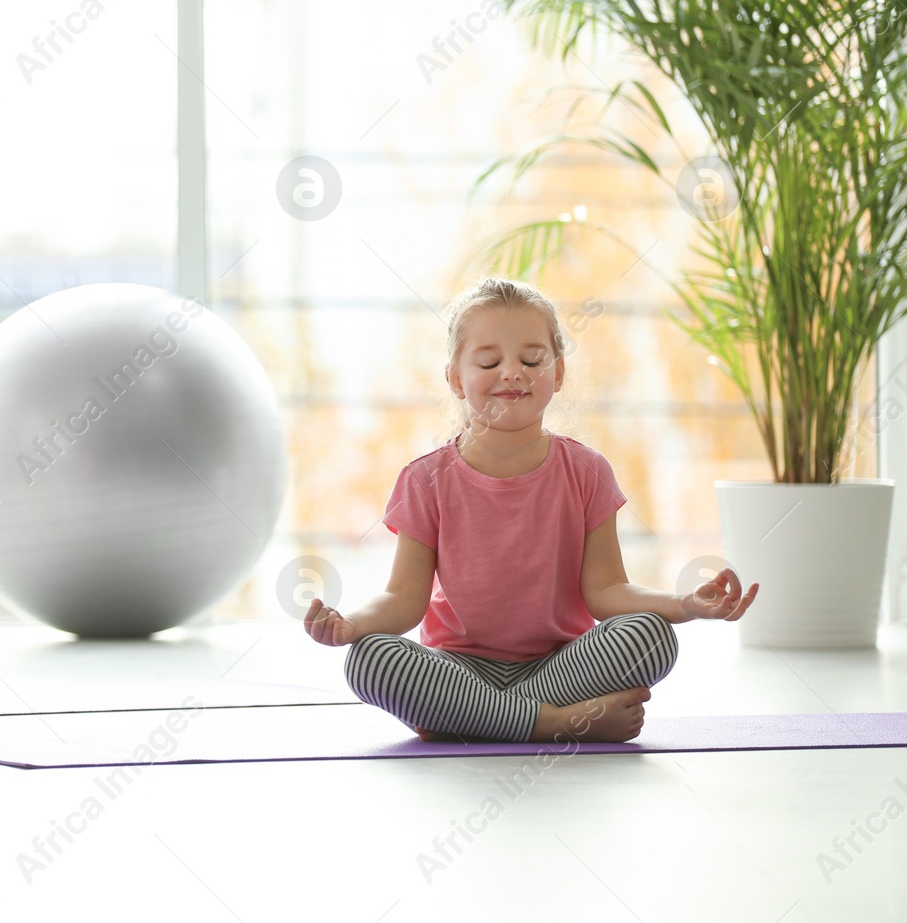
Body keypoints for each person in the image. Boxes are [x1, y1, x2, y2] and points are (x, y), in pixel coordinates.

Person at [304, 276, 758, 743]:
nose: (512, 373)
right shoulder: (425, 479)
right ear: (457, 379)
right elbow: (404, 599)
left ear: (558, 374)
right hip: (460, 673)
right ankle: (553, 723)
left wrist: (682, 605)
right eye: (489, 361)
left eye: (531, 359)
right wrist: (352, 624)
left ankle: (486, 720)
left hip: (562, 668)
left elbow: (607, 590)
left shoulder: (587, 471)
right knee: (369, 660)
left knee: (653, 636)